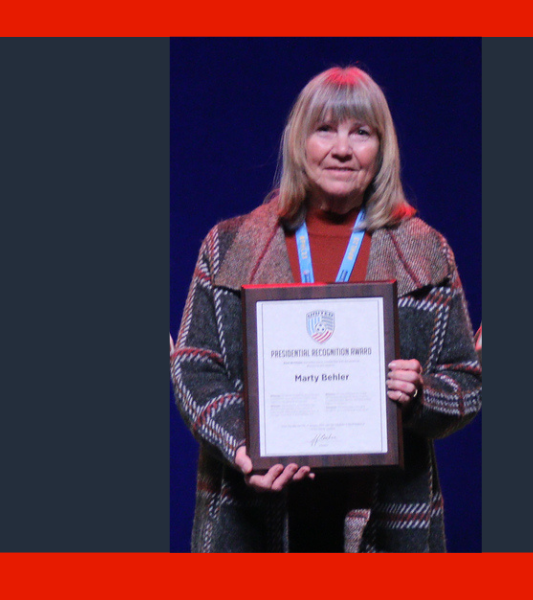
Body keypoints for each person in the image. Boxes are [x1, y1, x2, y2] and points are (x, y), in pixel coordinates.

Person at [172, 66, 482, 552]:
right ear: (300, 143)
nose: (342, 148)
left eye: (361, 132)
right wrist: (242, 445)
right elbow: (194, 367)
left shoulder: (428, 251)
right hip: (252, 516)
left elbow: (466, 380)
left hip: (387, 521)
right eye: (325, 129)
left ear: (381, 149)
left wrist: (420, 393)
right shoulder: (228, 245)